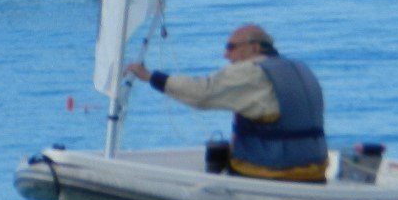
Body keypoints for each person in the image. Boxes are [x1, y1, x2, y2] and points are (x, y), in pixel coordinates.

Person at [125, 23, 328, 182]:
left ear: (253, 47)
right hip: (315, 170)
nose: (225, 54)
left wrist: (151, 77)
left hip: (273, 172)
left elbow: (200, 94)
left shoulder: (251, 71)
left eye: (231, 47)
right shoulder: (301, 69)